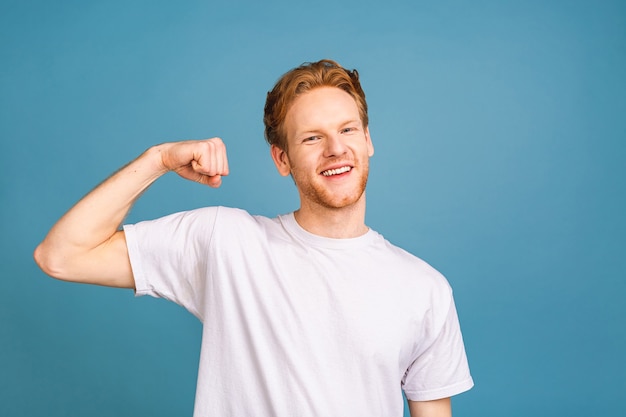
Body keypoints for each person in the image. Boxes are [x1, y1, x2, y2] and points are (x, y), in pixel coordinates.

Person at [34, 59, 473, 416]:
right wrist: (159, 159)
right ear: (282, 160)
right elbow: (62, 256)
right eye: (312, 138)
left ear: (368, 139)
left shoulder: (424, 288)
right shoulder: (227, 242)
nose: (335, 149)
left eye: (347, 130)